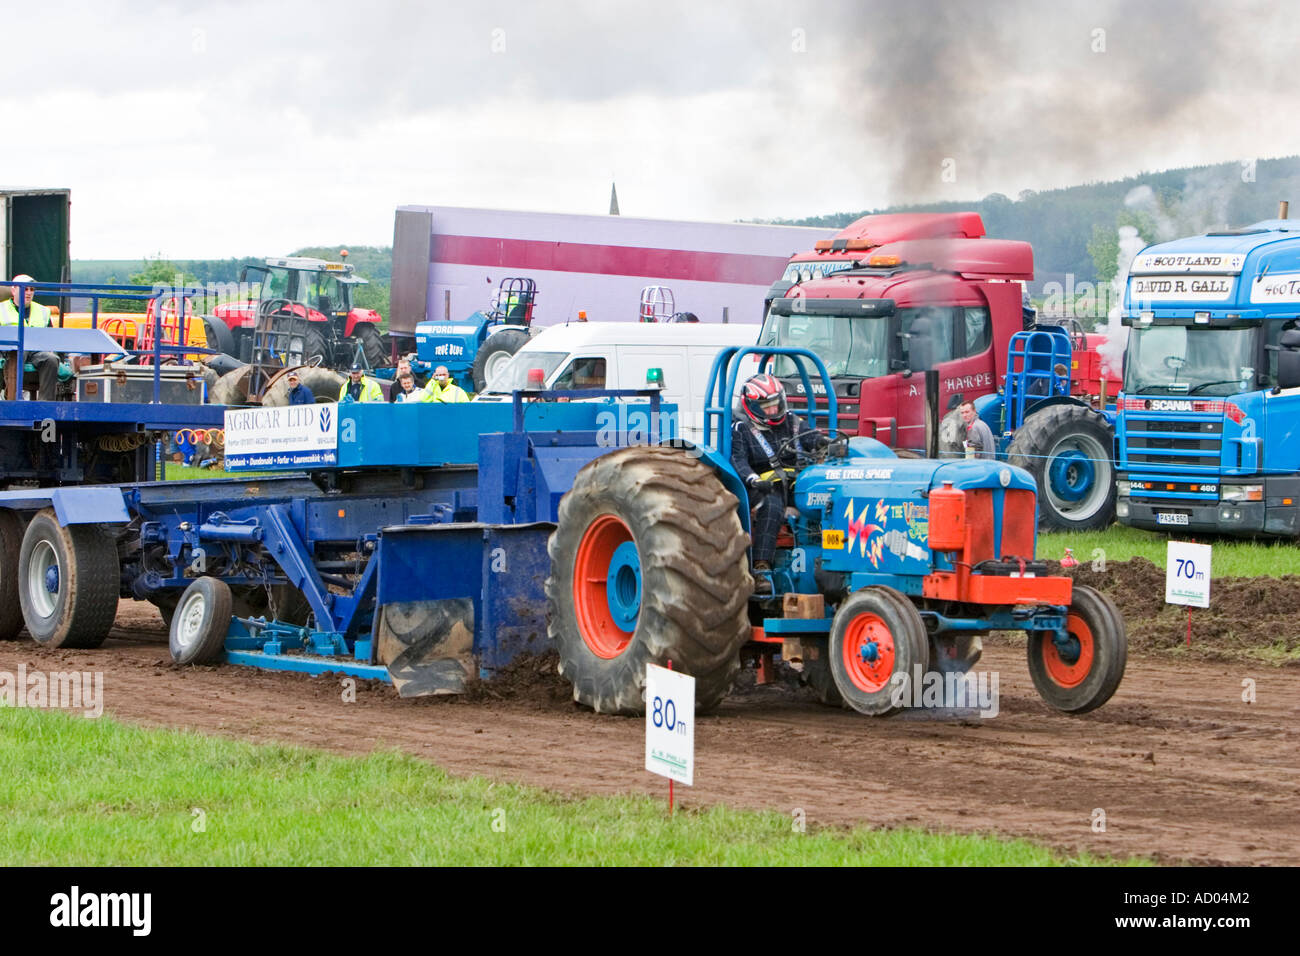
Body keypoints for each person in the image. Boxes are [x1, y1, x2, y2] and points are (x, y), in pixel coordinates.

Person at [730, 373, 826, 593]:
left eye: (776, 404)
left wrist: (822, 441)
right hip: (758, 489)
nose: (773, 411)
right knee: (771, 505)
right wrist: (753, 479)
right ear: (752, 406)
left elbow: (809, 436)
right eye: (767, 407)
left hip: (793, 485)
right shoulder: (741, 429)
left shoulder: (792, 421)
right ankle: (762, 566)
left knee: (822, 497)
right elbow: (738, 461)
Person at [0, 274, 60, 401]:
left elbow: (50, 336)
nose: (28, 293)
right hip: (9, 350)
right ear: (13, 290)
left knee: (51, 359)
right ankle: (13, 398)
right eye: (25, 289)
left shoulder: (43, 311)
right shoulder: (1, 309)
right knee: (21, 350)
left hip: (36, 351)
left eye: (31, 289)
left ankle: (45, 405)